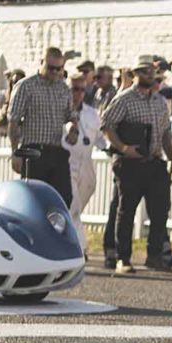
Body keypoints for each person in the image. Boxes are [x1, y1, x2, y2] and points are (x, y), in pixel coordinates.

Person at [99, 56, 172, 274]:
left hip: (154, 162)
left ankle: (155, 256)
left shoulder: (160, 101)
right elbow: (106, 125)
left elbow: (165, 134)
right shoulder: (124, 99)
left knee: (160, 212)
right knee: (126, 212)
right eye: (143, 72)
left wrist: (171, 159)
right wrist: (123, 148)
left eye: (150, 73)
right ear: (134, 75)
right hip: (130, 163)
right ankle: (123, 258)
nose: (148, 76)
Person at [7, 46, 73, 206]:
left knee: (63, 199)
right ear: (41, 62)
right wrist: (15, 152)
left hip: (56, 150)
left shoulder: (64, 88)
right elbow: (13, 121)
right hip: (34, 151)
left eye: (59, 68)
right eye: (51, 68)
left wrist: (73, 130)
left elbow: (70, 117)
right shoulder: (26, 86)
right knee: (34, 200)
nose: (55, 72)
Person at [63, 71, 100, 236]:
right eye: (74, 89)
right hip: (67, 165)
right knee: (74, 207)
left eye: (82, 90)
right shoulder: (59, 111)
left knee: (76, 209)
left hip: (86, 166)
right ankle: (78, 246)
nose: (78, 94)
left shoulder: (92, 114)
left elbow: (100, 138)